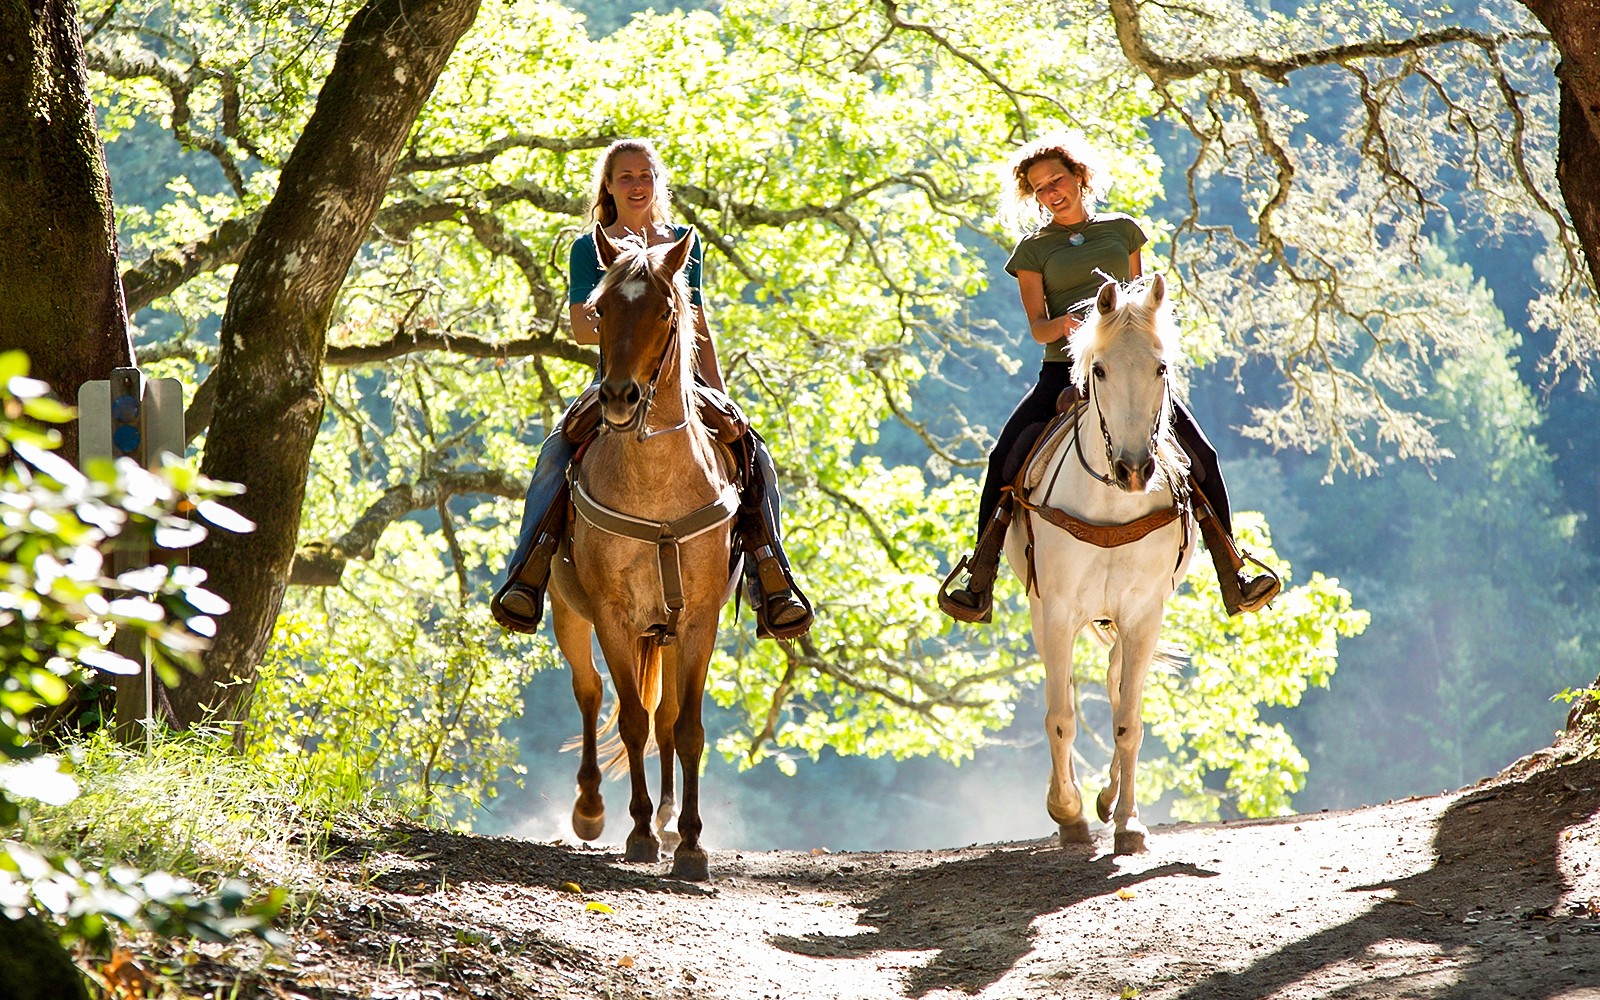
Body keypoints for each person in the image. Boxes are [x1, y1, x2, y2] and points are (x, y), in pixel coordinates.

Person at [938, 132, 1279, 623]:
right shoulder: (1033, 251)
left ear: (1079, 177)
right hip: (1064, 372)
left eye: (1057, 179)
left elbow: (1140, 305)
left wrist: (1128, 332)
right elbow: (1038, 329)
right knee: (1003, 458)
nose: (1050, 191)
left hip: (1129, 369)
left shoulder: (1123, 231)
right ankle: (981, 575)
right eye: (1039, 188)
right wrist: (1081, 324)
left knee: (1203, 454)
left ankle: (1233, 568)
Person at [491, 138, 812, 640]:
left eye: (645, 175)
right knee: (555, 451)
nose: (637, 185)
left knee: (755, 454)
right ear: (609, 186)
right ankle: (526, 574)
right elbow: (580, 329)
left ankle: (770, 578)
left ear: (657, 182)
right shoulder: (588, 248)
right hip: (616, 378)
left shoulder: (683, 241)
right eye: (626, 176)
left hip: (682, 380)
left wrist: (721, 392)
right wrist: (631, 321)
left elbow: (698, 322)